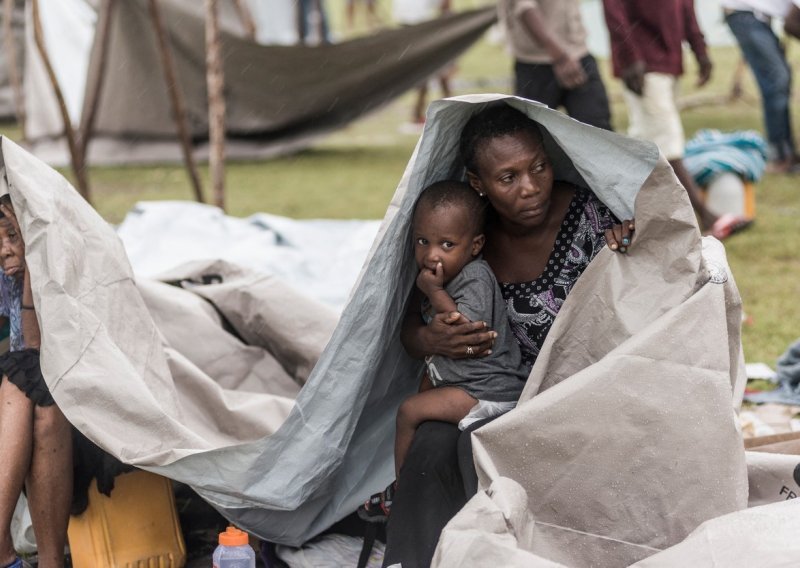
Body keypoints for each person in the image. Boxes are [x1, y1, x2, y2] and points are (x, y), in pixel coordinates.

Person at [381, 104, 634, 567]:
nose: (531, 187)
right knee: (438, 440)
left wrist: (635, 239)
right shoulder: (460, 235)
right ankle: (414, 559)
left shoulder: (592, 217)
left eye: (538, 166)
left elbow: (645, 281)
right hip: (499, 396)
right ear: (478, 183)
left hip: (580, 400)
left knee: (476, 441)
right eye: (508, 177)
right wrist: (433, 340)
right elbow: (407, 333)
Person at [359, 181, 527, 521]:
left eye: (447, 244)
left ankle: (399, 492)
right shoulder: (439, 273)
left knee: (409, 411)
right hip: (463, 383)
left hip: (489, 391)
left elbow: (461, 329)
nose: (432, 254)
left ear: (475, 245)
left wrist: (433, 291)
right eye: (423, 241)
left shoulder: (475, 277)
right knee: (423, 386)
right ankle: (407, 485)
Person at [601, 0, 751, 240]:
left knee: (646, 143)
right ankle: (706, 216)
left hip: (669, 62)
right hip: (641, 67)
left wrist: (701, 52)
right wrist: (630, 57)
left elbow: (686, 9)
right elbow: (614, 12)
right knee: (666, 145)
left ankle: (637, 221)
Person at [0, 195, 72, 568]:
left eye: (13, 235)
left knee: (34, 391)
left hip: (67, 401)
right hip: (28, 397)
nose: (6, 251)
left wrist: (31, 268)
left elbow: (35, 347)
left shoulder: (54, 266)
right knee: (24, 384)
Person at [499, 0, 612, 130]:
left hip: (578, 54)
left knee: (597, 129)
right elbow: (524, 8)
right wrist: (561, 58)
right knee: (534, 133)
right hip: (536, 63)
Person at [721, 0, 800, 173]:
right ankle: (780, 156)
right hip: (744, 15)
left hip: (756, 18)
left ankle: (788, 153)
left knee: (781, 78)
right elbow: (792, 24)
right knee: (777, 80)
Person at [393, 0, 454, 126]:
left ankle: (420, 113)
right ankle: (450, 112)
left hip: (410, 26)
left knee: (428, 72)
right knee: (437, 70)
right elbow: (444, 6)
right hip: (425, 28)